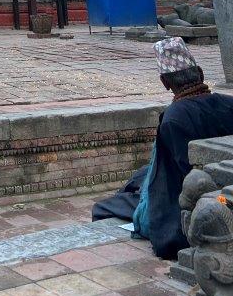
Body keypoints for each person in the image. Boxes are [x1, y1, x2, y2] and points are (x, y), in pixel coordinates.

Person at [94, 37, 233, 260]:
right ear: (200, 73)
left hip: (200, 199)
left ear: (165, 83)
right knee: (139, 178)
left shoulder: (174, 119)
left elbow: (183, 178)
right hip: (225, 190)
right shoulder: (228, 104)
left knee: (108, 206)